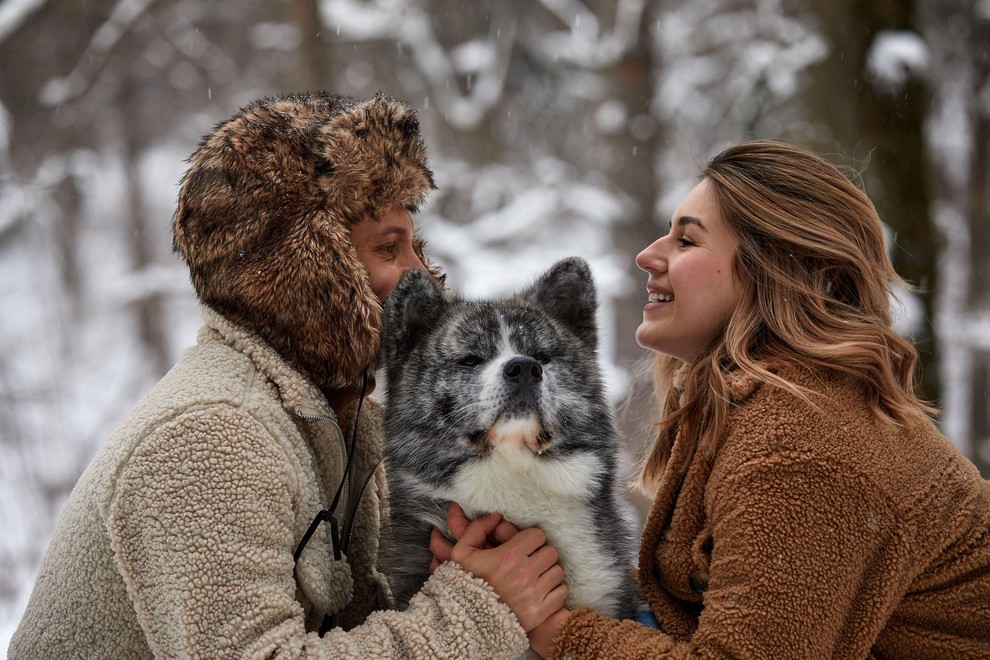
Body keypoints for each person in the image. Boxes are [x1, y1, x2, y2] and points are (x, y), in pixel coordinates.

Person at [10, 91, 566, 658]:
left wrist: (446, 569)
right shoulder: (211, 438)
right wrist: (479, 605)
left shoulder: (335, 419)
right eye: (389, 249)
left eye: (416, 246)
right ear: (310, 275)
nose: (422, 276)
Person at [444, 140, 990, 658]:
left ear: (771, 270)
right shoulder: (754, 403)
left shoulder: (803, 446)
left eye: (687, 240)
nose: (647, 256)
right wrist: (535, 568)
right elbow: (702, 604)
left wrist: (551, 626)